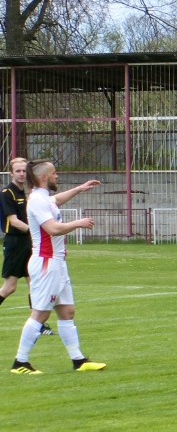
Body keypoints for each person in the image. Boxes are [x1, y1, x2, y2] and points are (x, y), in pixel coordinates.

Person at [11, 160, 105, 374]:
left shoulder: (44, 198)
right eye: (54, 173)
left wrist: (81, 188)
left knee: (67, 311)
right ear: (44, 177)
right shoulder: (36, 200)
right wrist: (77, 223)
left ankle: (78, 360)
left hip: (57, 263)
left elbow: (56, 200)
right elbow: (52, 229)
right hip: (46, 263)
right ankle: (20, 362)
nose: (57, 176)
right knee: (40, 314)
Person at [0, 158, 55, 335]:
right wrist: (36, 230)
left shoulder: (31, 192)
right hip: (15, 242)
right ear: (11, 173)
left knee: (35, 283)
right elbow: (14, 221)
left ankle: (39, 324)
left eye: (24, 171)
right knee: (10, 286)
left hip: (31, 242)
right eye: (18, 171)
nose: (22, 174)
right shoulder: (7, 193)